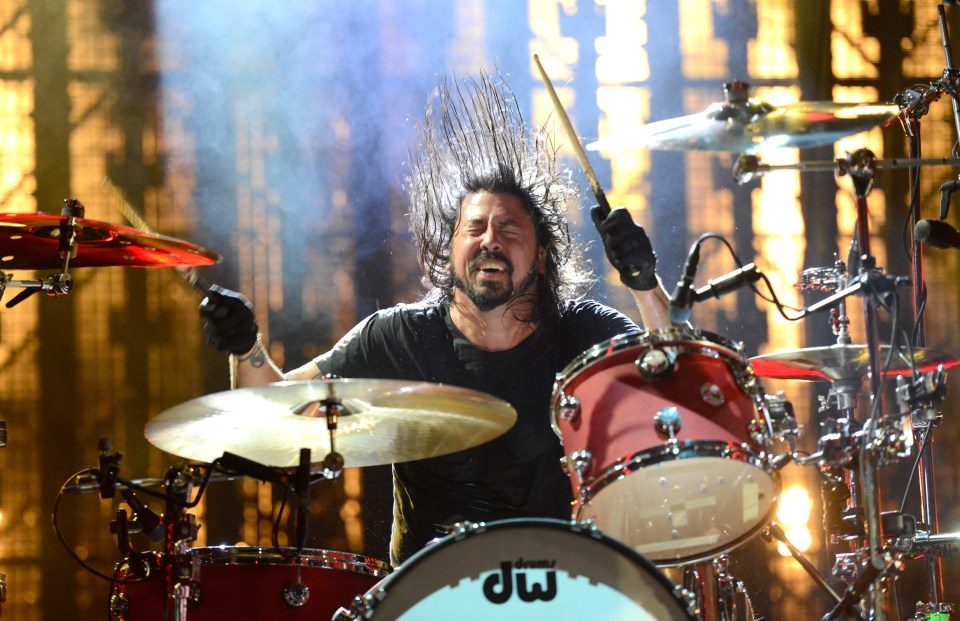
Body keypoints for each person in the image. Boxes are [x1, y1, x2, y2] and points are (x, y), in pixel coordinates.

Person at [199, 71, 673, 567]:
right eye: (475, 227)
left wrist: (643, 281)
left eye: (509, 227)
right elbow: (272, 420)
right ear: (450, 254)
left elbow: (671, 389)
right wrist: (246, 345)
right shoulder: (399, 337)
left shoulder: (584, 331)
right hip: (427, 594)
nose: (490, 239)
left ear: (543, 257)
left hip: (553, 587)